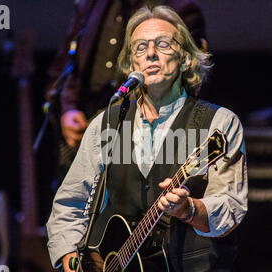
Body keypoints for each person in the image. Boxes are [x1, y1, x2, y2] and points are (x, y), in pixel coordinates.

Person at [46, 5, 248, 272]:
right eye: (141, 47)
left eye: (163, 44)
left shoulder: (218, 123)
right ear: (131, 63)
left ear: (185, 59)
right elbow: (70, 205)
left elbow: (230, 207)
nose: (151, 53)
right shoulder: (106, 124)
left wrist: (190, 210)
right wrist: (73, 264)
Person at [46, 0, 208, 183]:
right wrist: (68, 109)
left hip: (141, 134)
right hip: (87, 124)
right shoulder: (90, 5)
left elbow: (192, 75)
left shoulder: (180, 8)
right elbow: (65, 65)